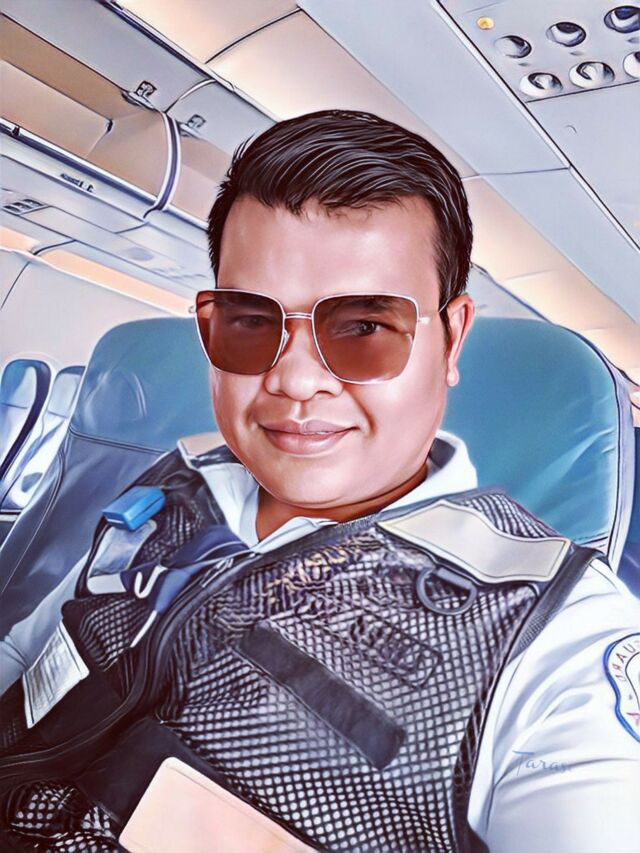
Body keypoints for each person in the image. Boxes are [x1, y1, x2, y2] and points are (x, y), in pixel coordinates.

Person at [0, 110, 638, 853]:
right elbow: (29, 650)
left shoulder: (551, 639)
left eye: (364, 327)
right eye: (249, 320)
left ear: (452, 339)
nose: (295, 380)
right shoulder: (178, 480)